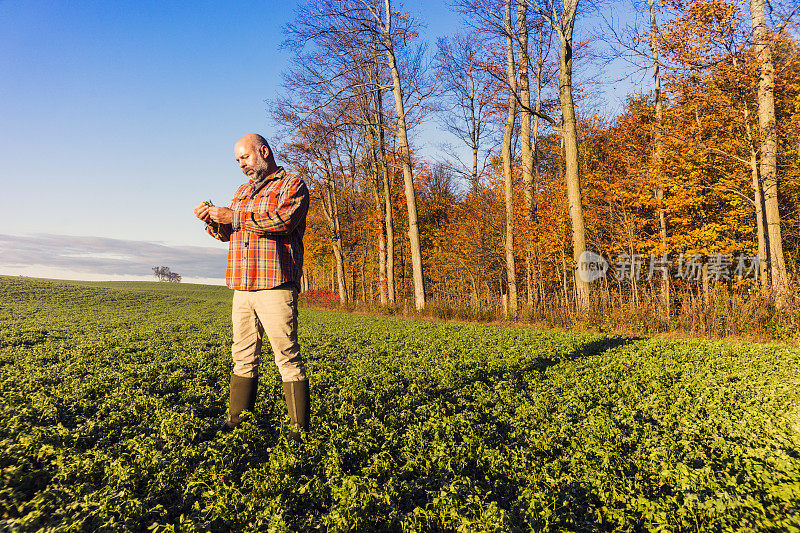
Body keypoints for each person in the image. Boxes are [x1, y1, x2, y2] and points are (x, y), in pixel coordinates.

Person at [193, 133, 310, 440]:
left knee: (287, 356)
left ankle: (299, 431)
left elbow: (282, 222)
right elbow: (228, 233)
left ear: (264, 151)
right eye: (237, 161)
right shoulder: (242, 190)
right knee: (243, 354)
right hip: (242, 287)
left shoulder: (292, 184)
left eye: (244, 158)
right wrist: (212, 222)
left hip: (275, 285)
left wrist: (236, 217)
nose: (241, 165)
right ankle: (236, 420)